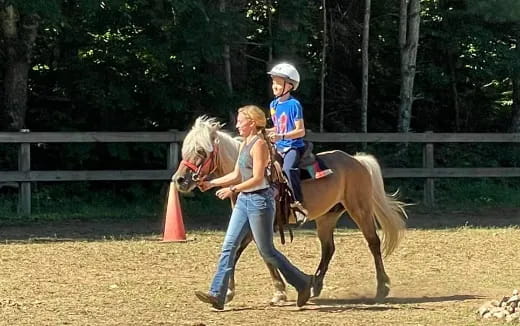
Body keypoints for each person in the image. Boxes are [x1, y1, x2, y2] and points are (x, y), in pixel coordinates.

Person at [194, 105, 313, 310]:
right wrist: (212, 183)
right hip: (244, 201)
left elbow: (258, 178)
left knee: (267, 251)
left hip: (260, 201)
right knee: (228, 246)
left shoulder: (259, 145)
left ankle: (302, 282)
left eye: (241, 121)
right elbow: (237, 174)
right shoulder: (244, 144)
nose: (237, 124)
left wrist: (232, 189)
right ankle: (217, 294)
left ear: (252, 122)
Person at [266, 62, 308, 226]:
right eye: (273, 82)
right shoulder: (273, 105)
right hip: (278, 146)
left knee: (288, 169)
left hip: (292, 146)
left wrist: (281, 136)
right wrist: (265, 131)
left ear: (289, 85)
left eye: (278, 82)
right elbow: (277, 126)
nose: (274, 86)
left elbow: (301, 131)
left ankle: (298, 205)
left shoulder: (294, 105)